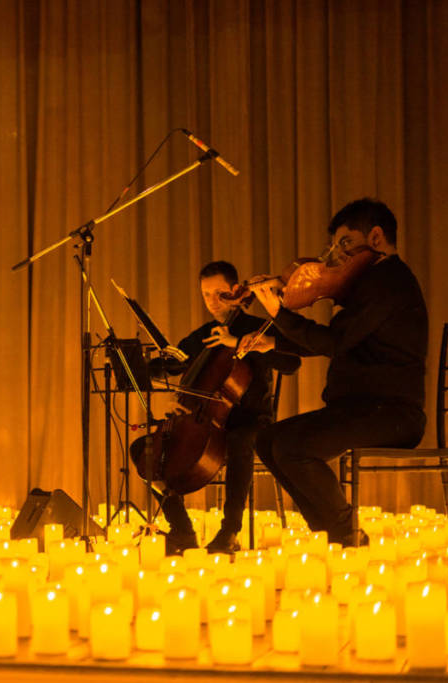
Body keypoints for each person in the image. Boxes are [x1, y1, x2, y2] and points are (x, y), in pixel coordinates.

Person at [244, 198, 428, 546]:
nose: (336, 256)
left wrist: (280, 314)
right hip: (361, 409)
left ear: (376, 237)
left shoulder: (389, 282)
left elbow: (335, 342)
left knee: (295, 448)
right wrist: (274, 343)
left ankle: (346, 535)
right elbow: (337, 342)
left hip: (392, 414)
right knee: (267, 440)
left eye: (345, 243)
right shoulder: (367, 285)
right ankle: (331, 533)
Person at [131, 261, 301, 554]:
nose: (212, 301)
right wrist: (139, 367)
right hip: (203, 420)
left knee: (238, 441)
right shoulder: (205, 334)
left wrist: (241, 344)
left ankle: (229, 531)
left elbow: (291, 362)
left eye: (218, 293)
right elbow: (175, 362)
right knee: (145, 449)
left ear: (236, 291)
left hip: (250, 419)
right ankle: (182, 530)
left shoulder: (257, 328)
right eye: (205, 295)